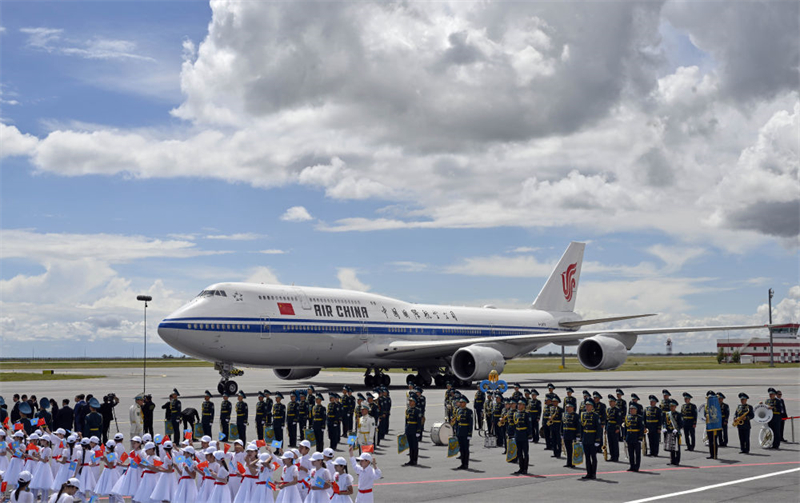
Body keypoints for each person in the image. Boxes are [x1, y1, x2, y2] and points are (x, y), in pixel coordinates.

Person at [580, 400, 601, 480]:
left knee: (593, 457)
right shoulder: (583, 415)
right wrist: (581, 438)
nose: (587, 407)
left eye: (589, 405)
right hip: (586, 438)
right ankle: (588, 473)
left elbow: (598, 429)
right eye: (586, 405)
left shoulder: (595, 416)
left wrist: (597, 440)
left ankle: (593, 473)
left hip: (592, 439)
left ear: (592, 407)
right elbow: (582, 428)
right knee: (587, 457)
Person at [454, 396, 473, 470]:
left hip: (465, 432)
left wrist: (469, 434)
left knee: (465, 449)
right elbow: (457, 422)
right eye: (460, 402)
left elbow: (470, 423)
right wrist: (456, 431)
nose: (461, 404)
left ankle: (466, 464)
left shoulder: (469, 411)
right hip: (460, 432)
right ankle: (462, 463)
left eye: (462, 402)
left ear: (465, 403)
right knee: (461, 449)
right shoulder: (458, 410)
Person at [402, 396, 421, 466]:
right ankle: (411, 460)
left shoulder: (417, 410)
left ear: (414, 402)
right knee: (410, 445)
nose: (410, 402)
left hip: (414, 429)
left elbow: (419, 422)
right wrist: (405, 430)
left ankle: (415, 460)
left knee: (415, 446)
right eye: (409, 401)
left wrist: (418, 431)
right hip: (409, 429)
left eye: (411, 401)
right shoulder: (408, 410)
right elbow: (406, 421)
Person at [513, 398, 530, 475]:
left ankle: (525, 469)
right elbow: (514, 425)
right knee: (519, 453)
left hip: (524, 435)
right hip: (518, 435)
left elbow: (529, 425)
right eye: (518, 404)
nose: (518, 406)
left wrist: (529, 435)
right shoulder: (516, 414)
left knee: (525, 453)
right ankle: (521, 468)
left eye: (520, 404)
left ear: (524, 405)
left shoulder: (526, 414)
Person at [625, 404, 644, 472]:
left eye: (633, 409)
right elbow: (626, 428)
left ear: (636, 410)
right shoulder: (627, 417)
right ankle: (631, 466)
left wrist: (640, 438)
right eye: (630, 409)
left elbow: (641, 428)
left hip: (636, 437)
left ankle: (637, 467)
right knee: (631, 453)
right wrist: (625, 437)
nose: (631, 410)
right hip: (629, 437)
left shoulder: (639, 418)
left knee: (637, 453)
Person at [663, 400, 683, 466]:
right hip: (669, 432)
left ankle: (677, 461)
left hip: (676, 432)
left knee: (677, 447)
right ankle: (672, 460)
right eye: (670, 406)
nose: (671, 408)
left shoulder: (678, 414)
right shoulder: (668, 414)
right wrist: (665, 428)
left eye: (673, 406)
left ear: (675, 407)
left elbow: (681, 424)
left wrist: (677, 429)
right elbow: (665, 422)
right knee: (671, 447)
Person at [561, 402, 579, 469]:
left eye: (568, 407)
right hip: (566, 434)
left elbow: (578, 426)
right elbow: (562, 425)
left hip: (572, 434)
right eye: (566, 407)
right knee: (568, 449)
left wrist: (577, 435)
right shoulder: (564, 415)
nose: (567, 408)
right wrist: (562, 433)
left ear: (572, 408)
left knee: (572, 450)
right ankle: (568, 462)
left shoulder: (576, 416)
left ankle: (572, 463)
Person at [704, 390, 720, 460]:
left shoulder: (716, 405)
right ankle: (711, 454)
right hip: (709, 425)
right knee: (710, 440)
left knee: (714, 440)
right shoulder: (706, 406)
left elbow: (718, 414)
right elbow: (705, 414)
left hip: (714, 424)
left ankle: (715, 454)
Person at [605, 395, 621, 462]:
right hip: (609, 427)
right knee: (610, 443)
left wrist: (617, 428)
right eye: (609, 402)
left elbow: (619, 419)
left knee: (615, 443)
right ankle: (612, 456)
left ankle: (616, 456)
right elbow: (606, 419)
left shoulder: (617, 410)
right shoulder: (608, 409)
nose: (610, 403)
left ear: (615, 402)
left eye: (611, 402)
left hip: (614, 428)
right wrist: (606, 428)